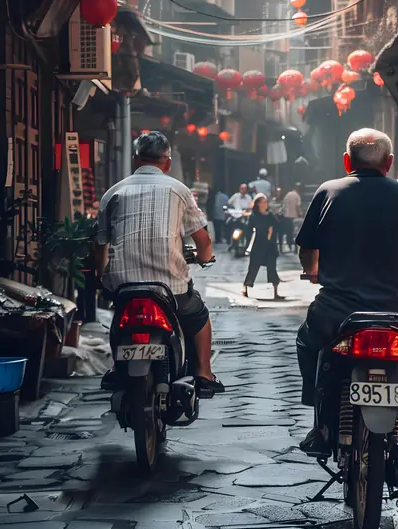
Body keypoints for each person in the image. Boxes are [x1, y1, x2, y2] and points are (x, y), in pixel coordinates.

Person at [296, 128, 398, 456]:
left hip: (336, 310)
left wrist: (313, 271)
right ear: (389, 162)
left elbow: (307, 249)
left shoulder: (328, 191)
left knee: (308, 341)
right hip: (395, 311)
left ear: (346, 160)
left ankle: (321, 422)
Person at [95, 131, 224, 395]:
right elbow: (203, 240)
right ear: (167, 163)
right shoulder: (179, 190)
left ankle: (116, 366)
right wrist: (204, 258)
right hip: (170, 286)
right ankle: (203, 373)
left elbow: (99, 243)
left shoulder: (113, 192)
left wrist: (102, 275)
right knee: (198, 317)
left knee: (118, 319)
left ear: (135, 160)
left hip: (122, 284)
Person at [242, 193, 284, 300]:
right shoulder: (254, 216)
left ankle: (276, 292)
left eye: (266, 202)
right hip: (258, 245)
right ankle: (245, 288)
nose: (265, 204)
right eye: (263, 202)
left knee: (272, 268)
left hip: (270, 246)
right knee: (253, 268)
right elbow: (249, 230)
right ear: (258, 204)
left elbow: (278, 226)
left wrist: (273, 229)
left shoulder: (270, 215)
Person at [282, 183, 303, 253]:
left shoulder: (288, 194)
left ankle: (289, 245)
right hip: (294, 217)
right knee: (295, 233)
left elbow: (284, 204)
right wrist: (301, 214)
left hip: (287, 216)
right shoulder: (297, 196)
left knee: (288, 232)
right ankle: (294, 249)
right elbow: (298, 206)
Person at [269, 187, 285, 252]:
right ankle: (274, 248)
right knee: (274, 234)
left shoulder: (283, 201)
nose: (278, 193)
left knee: (280, 234)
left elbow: (283, 209)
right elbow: (270, 208)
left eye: (279, 192)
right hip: (273, 220)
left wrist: (279, 211)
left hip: (280, 220)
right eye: (277, 192)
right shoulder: (272, 200)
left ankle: (281, 248)